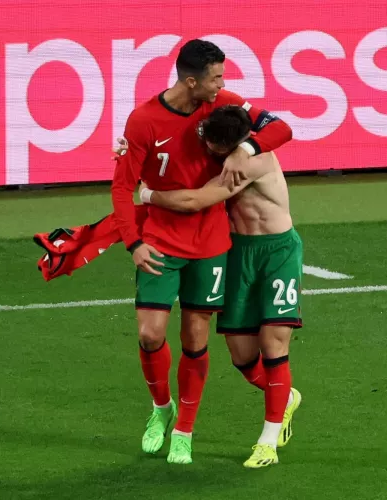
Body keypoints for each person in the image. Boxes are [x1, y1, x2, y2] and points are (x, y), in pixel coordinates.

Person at [111, 39, 292, 465]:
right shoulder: (143, 120)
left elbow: (280, 127)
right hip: (159, 241)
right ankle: (161, 410)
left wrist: (248, 146)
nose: (223, 85)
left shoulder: (222, 104)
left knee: (195, 338)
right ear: (191, 81)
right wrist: (134, 243)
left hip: (211, 245)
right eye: (216, 77)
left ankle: (185, 431)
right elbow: (122, 187)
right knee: (149, 334)